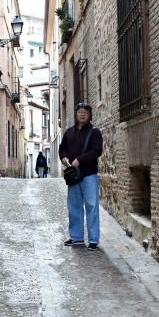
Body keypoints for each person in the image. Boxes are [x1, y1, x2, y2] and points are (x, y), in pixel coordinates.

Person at [59, 103, 103, 251]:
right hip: (73, 176)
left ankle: (93, 240)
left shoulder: (95, 132)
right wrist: (64, 158)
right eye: (80, 112)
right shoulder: (69, 132)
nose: (82, 114)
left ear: (90, 116)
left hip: (89, 175)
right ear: (76, 114)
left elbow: (97, 151)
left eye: (85, 112)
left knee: (92, 207)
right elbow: (62, 149)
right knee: (74, 207)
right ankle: (77, 237)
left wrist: (80, 160)